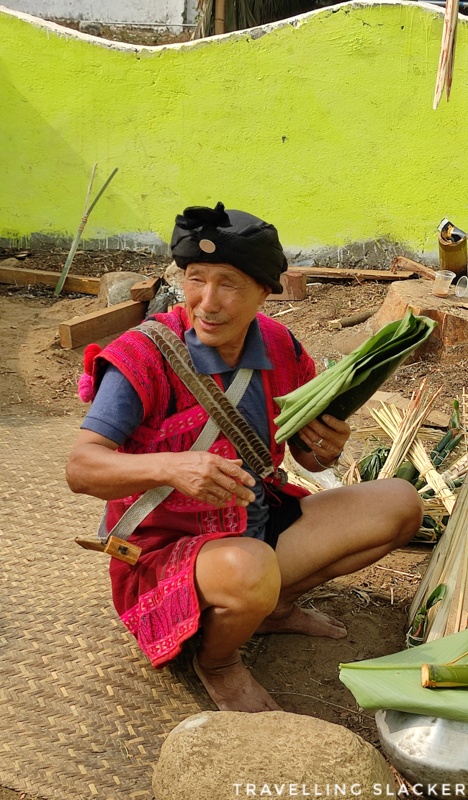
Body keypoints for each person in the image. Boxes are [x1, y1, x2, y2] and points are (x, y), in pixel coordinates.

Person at [66, 201, 423, 713]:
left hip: (254, 527)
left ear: (264, 290)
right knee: (248, 567)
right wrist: (173, 467)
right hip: (165, 555)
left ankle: (269, 608)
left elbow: (307, 458)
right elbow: (81, 467)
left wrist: (325, 449)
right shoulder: (143, 355)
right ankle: (216, 662)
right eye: (195, 279)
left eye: (228, 283)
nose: (206, 302)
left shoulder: (279, 346)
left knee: (399, 504)